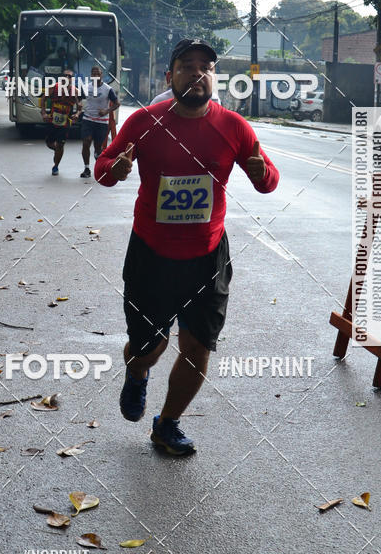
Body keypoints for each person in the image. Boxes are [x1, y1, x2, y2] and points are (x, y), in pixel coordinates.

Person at [94, 38, 279, 455]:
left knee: (197, 347)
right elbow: (103, 169)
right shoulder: (144, 122)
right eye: (187, 65)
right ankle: (137, 372)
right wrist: (117, 168)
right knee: (150, 348)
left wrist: (260, 172)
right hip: (151, 255)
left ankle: (167, 424)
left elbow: (269, 182)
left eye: (206, 66)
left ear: (215, 77)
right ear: (170, 76)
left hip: (208, 257)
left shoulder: (235, 126)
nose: (197, 72)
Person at [80, 66, 120, 178]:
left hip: (101, 122)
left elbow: (117, 103)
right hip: (88, 119)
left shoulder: (108, 89)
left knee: (98, 148)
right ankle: (87, 168)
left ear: (101, 75)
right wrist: (78, 108)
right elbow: (77, 98)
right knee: (86, 142)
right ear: (91, 76)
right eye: (93, 73)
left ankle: (98, 161)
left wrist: (106, 110)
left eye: (98, 73)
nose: (95, 75)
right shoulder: (86, 87)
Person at [40, 68, 80, 176]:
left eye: (69, 76)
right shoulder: (53, 88)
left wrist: (77, 114)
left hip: (65, 123)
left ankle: (56, 166)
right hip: (52, 121)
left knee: (61, 145)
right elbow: (43, 99)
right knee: (49, 143)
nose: (67, 78)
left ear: (72, 79)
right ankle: (57, 150)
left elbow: (79, 107)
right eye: (65, 75)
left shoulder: (75, 91)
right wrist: (43, 113)